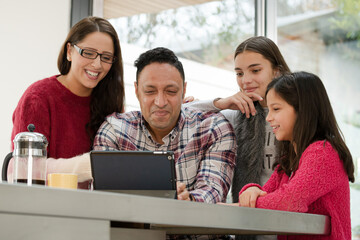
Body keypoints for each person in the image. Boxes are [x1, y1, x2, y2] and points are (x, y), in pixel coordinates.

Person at [93, 47, 236, 203]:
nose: (160, 102)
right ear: (136, 90)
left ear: (184, 90)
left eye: (171, 91)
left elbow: (213, 191)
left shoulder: (213, 128)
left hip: (189, 226)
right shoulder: (115, 130)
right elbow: (105, 199)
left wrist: (190, 200)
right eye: (150, 91)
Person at [236, 72, 354, 240]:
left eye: (276, 109)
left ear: (303, 110)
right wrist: (251, 190)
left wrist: (247, 203)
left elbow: (288, 202)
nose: (269, 118)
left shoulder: (323, 152)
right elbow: (266, 196)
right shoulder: (287, 162)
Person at [10, 17, 125, 189]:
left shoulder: (111, 104)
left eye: (106, 57)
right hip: (47, 209)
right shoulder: (38, 98)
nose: (97, 64)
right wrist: (88, 166)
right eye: (88, 53)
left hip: (96, 211)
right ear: (69, 51)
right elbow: (23, 171)